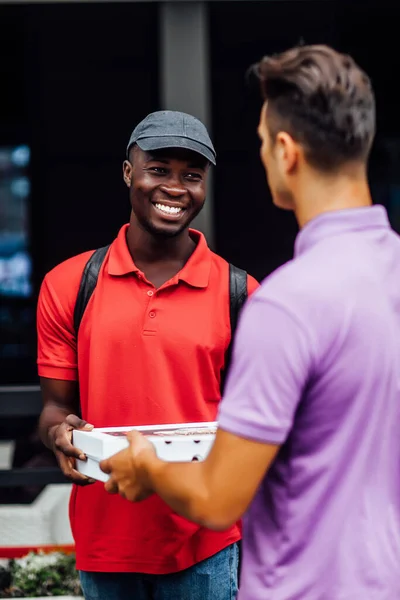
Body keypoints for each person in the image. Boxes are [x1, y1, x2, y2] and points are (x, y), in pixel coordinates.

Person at [101, 45, 400, 599]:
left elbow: (219, 499)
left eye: (262, 142)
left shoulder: (286, 303)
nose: (262, 156)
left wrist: (148, 466)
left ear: (286, 152)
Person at [37, 110, 258, 600]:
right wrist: (60, 432)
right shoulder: (69, 284)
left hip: (206, 542)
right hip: (106, 540)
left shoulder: (241, 292)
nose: (175, 187)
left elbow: (257, 426)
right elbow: (55, 407)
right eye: (159, 169)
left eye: (192, 176)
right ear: (127, 172)